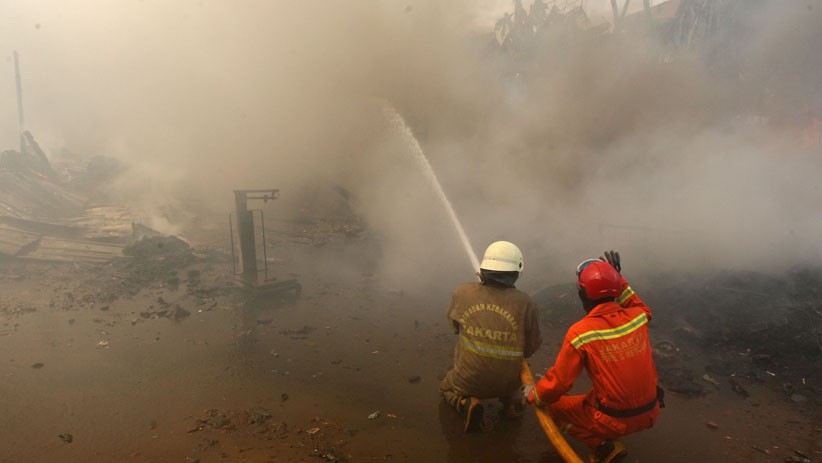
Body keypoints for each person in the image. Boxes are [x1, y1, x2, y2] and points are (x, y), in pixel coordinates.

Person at [525, 251, 662, 463]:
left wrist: (534, 395)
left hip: (612, 420)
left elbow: (559, 383)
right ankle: (606, 434)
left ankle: (602, 446)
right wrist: (619, 279)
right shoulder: (638, 317)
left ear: (582, 293)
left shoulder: (581, 332)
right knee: (600, 391)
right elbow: (639, 306)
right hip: (651, 412)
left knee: (553, 406)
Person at [440, 240, 543, 432]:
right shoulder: (525, 302)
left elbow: (455, 327)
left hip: (469, 381)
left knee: (446, 386)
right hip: (508, 383)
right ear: (515, 273)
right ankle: (510, 405)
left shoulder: (463, 292)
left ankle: (466, 403)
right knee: (513, 373)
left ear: (484, 269)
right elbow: (531, 347)